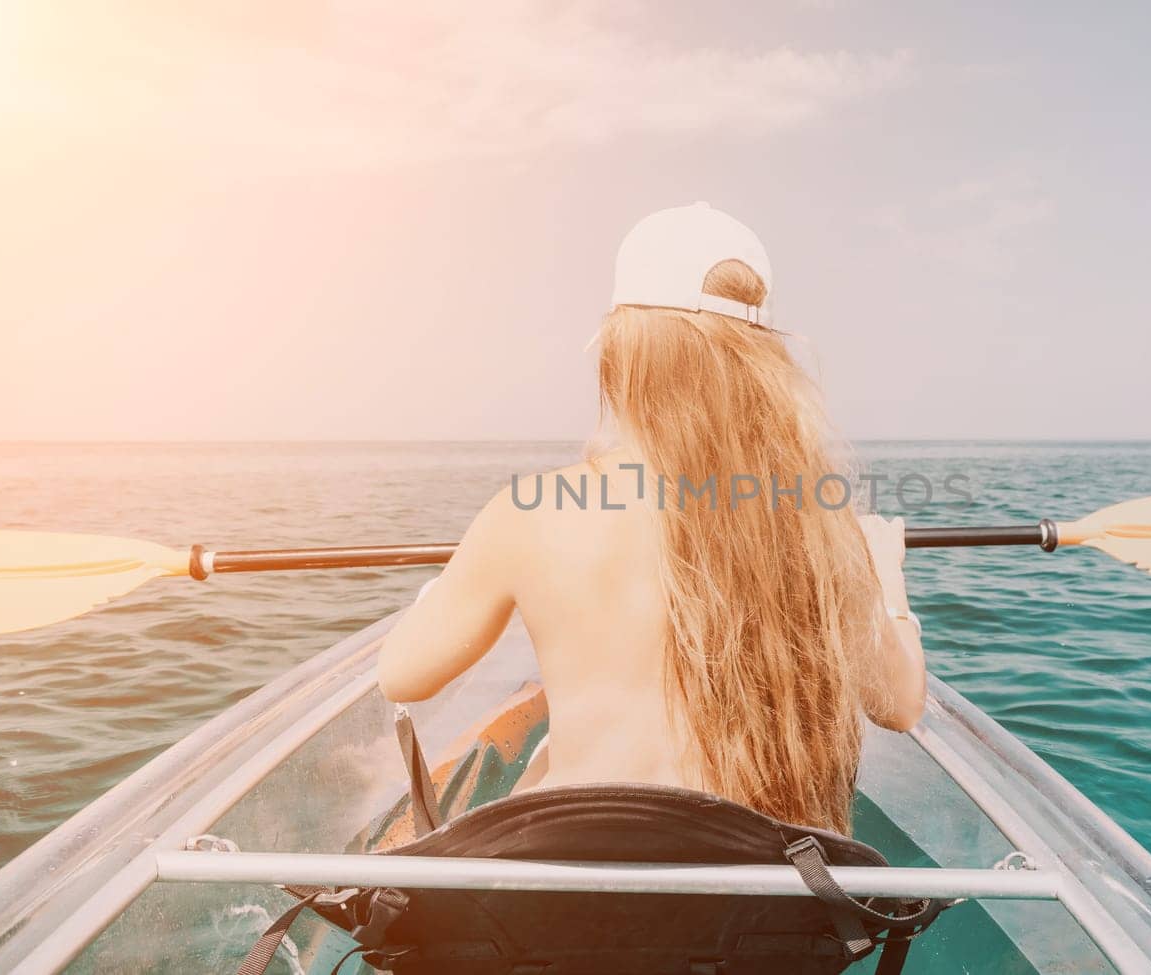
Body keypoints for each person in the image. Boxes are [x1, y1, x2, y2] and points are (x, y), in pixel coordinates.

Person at [378, 203, 925, 834]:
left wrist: (450, 588)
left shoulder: (531, 512)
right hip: (760, 908)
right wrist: (885, 578)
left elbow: (404, 676)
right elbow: (899, 704)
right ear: (763, 364)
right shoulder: (816, 518)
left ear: (621, 352)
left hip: (572, 885)